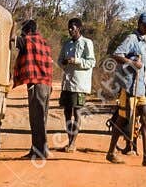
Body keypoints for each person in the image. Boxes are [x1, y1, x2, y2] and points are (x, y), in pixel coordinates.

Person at [107, 10, 146, 168]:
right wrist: (132, 63)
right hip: (129, 86)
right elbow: (117, 55)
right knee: (122, 118)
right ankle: (110, 152)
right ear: (139, 24)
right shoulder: (131, 38)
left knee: (145, 118)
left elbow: (143, 65)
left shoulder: (145, 41)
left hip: (141, 87)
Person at [12, 18, 53, 162]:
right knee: (42, 119)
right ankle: (40, 149)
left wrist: (12, 25)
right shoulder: (44, 42)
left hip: (36, 84)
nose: (22, 35)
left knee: (36, 120)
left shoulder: (27, 41)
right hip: (47, 85)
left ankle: (39, 152)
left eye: (23, 32)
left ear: (27, 31)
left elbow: (12, 39)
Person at [57, 16, 95, 150]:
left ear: (78, 28)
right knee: (67, 112)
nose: (70, 30)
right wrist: (64, 63)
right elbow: (59, 60)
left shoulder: (87, 43)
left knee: (77, 112)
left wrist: (76, 61)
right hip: (67, 83)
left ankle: (73, 142)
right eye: (69, 28)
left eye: (72, 28)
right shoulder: (67, 44)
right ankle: (69, 140)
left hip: (79, 84)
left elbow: (91, 62)